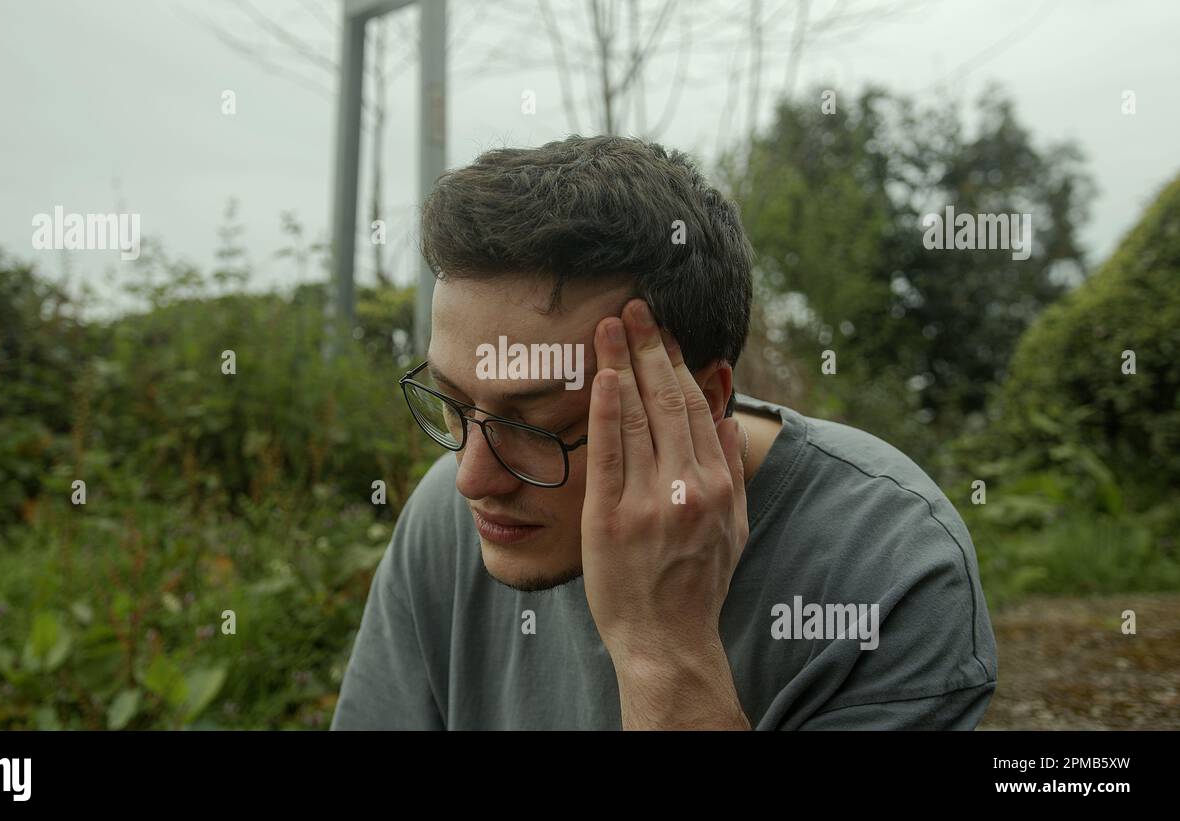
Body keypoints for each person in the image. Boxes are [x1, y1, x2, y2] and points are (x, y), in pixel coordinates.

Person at [331, 135, 997, 730]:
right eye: (453, 406)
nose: (473, 477)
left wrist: (663, 648)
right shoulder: (444, 520)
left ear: (704, 402)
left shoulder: (889, 569)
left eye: (534, 425)